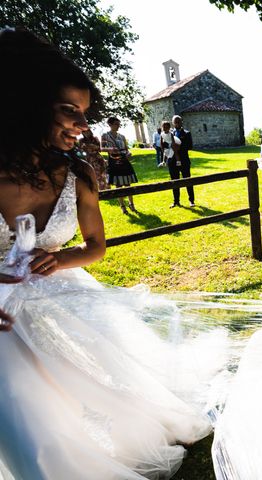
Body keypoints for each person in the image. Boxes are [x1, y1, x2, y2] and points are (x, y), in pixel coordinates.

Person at [0, 28, 221, 479]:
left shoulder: (78, 174)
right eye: (69, 111)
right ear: (27, 106)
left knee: (116, 387)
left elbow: (96, 247)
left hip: (60, 293)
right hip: (3, 319)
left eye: (84, 113)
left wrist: (60, 259)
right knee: (30, 418)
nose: (83, 125)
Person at [101, 116, 138, 214]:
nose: (118, 126)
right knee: (118, 185)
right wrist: (110, 150)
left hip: (124, 160)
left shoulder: (122, 136)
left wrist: (128, 153)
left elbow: (126, 148)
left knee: (127, 184)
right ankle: (122, 206)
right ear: (110, 124)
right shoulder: (105, 136)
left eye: (119, 124)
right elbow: (101, 148)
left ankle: (131, 204)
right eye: (116, 124)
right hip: (113, 161)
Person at [171, 114, 195, 207]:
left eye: (178, 121)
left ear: (182, 122)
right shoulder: (169, 133)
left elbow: (190, 146)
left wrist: (179, 147)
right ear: (173, 123)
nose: (177, 123)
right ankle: (176, 201)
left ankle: (191, 200)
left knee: (188, 180)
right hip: (173, 161)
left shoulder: (187, 133)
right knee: (174, 181)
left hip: (184, 160)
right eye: (175, 122)